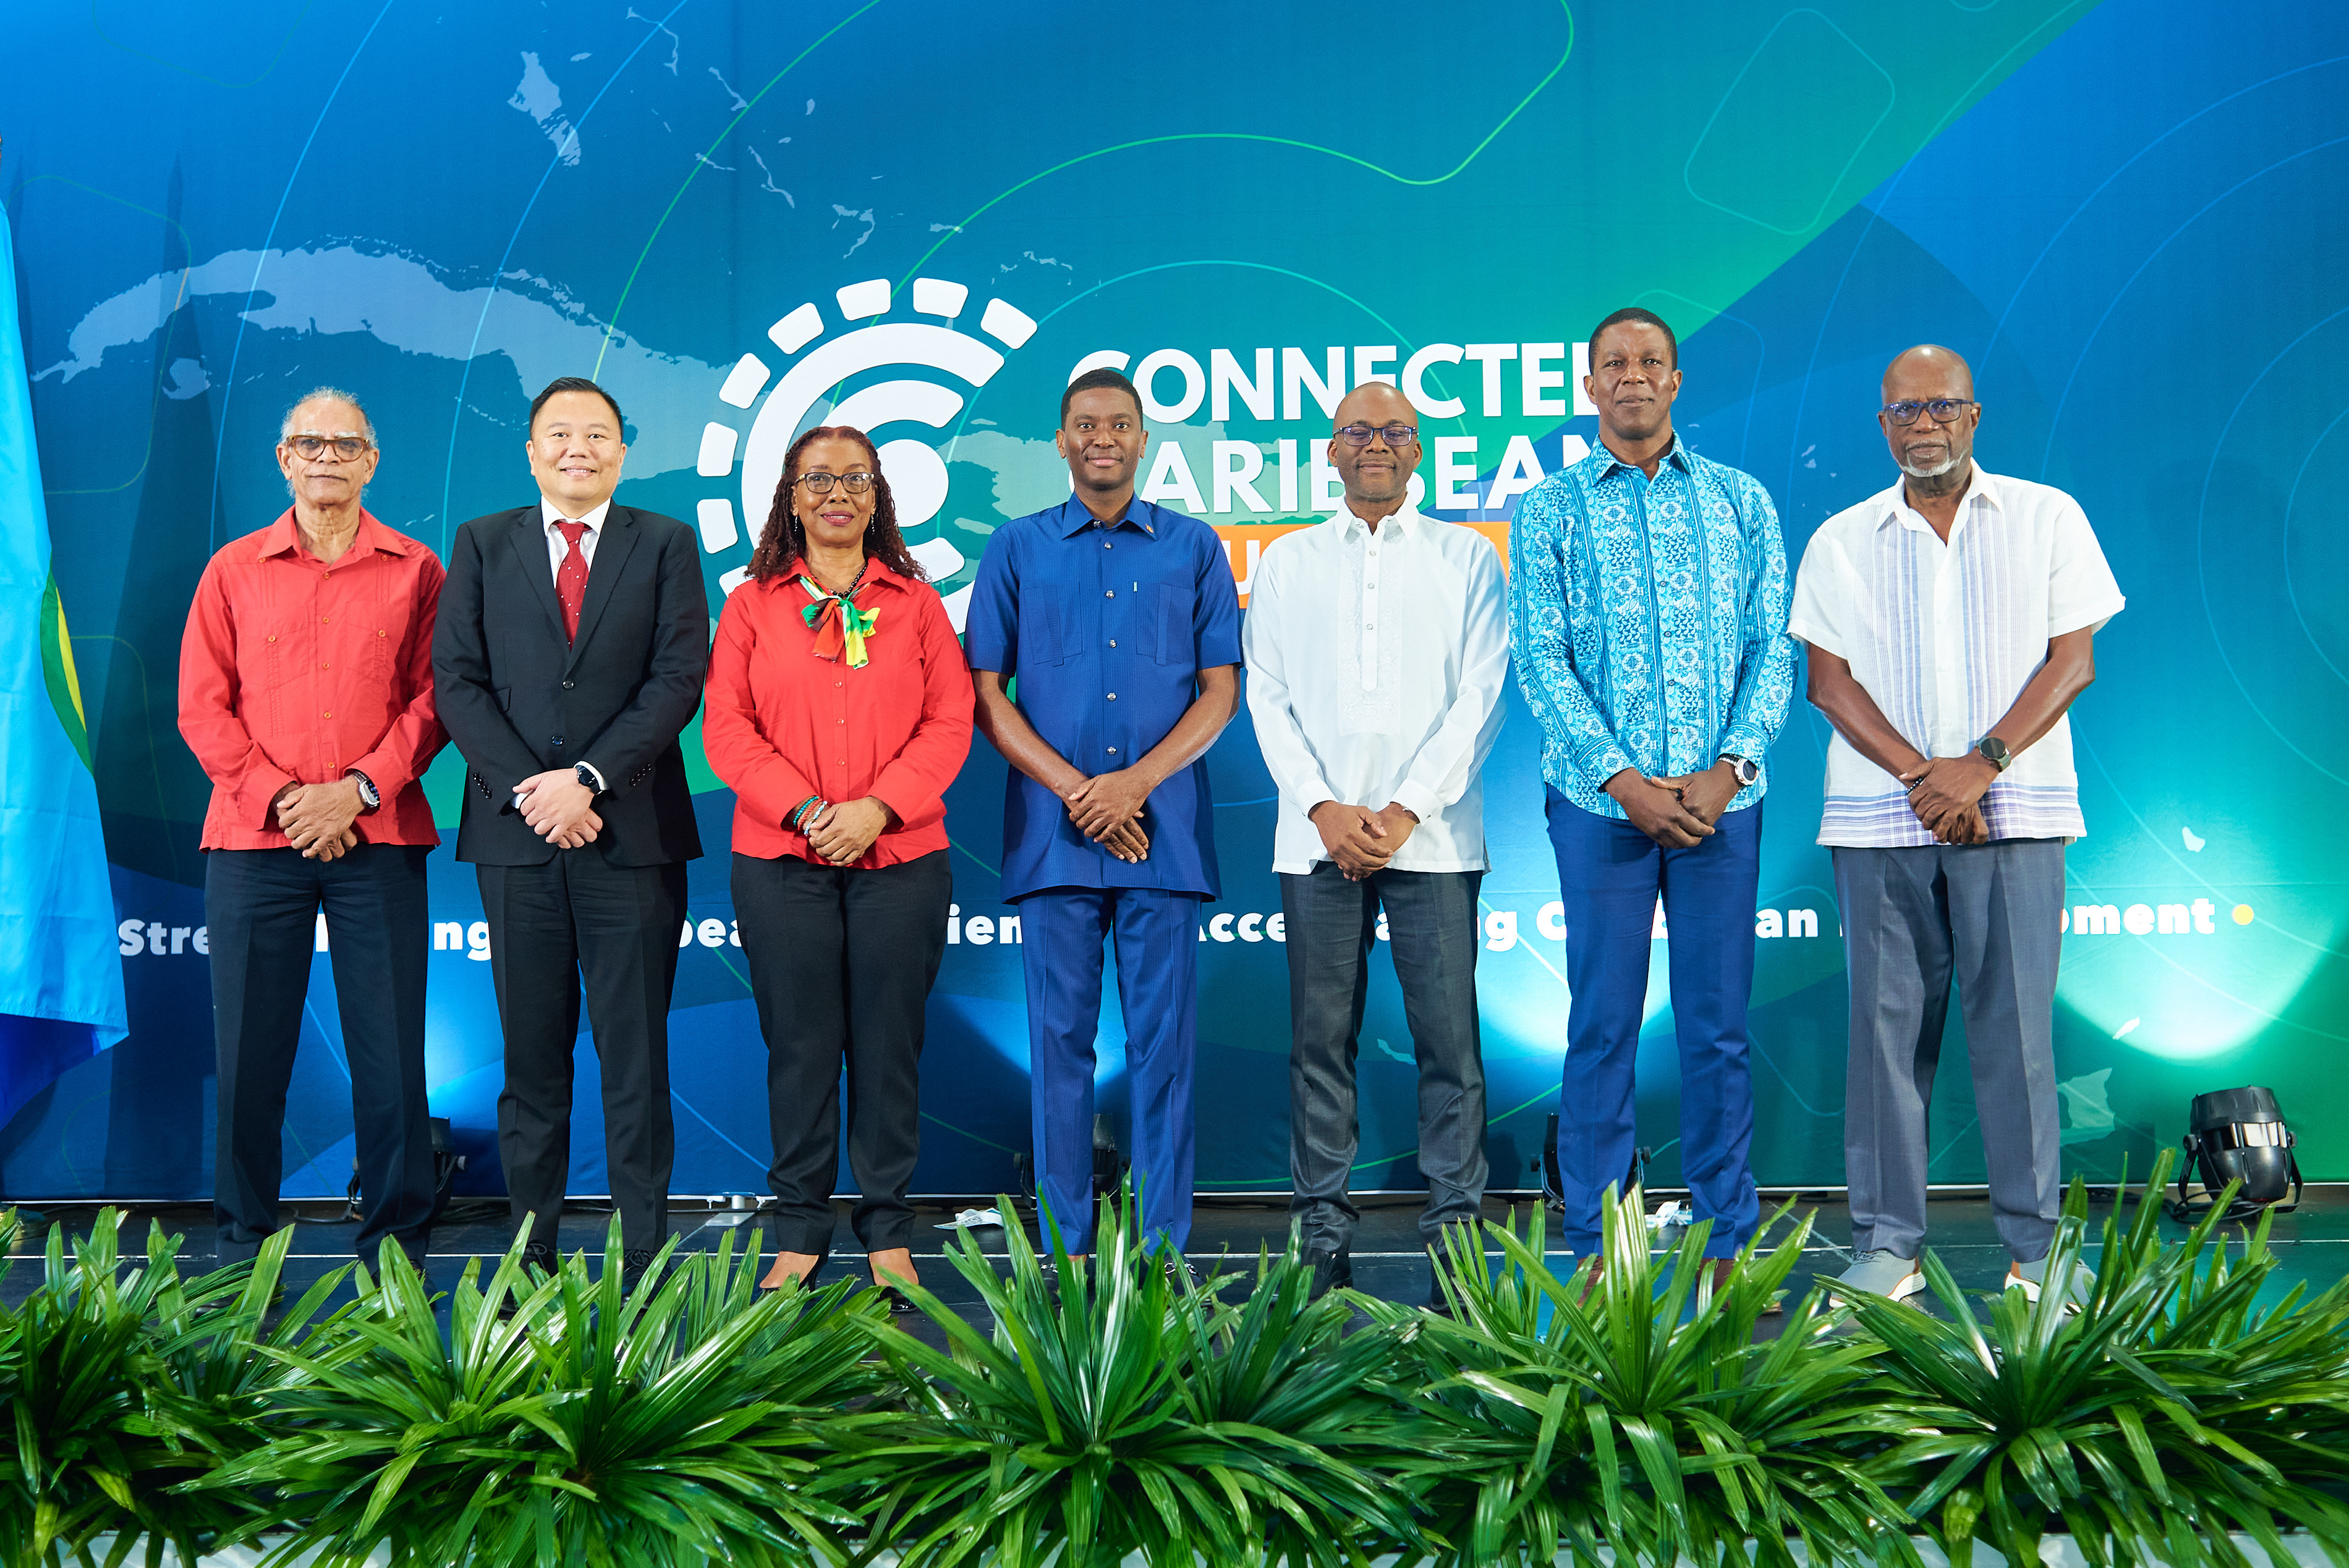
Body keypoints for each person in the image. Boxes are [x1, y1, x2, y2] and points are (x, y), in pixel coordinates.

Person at [1790, 345, 2123, 1307]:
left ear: (1974, 415)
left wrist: (1981, 767)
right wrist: (1923, 779)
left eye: (1941, 406)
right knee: (1883, 1038)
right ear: (1883, 425)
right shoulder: (1842, 538)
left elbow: (2073, 661)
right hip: (1880, 820)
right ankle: (1888, 1246)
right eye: (1903, 411)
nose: (1923, 424)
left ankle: (2038, 1251)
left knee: (2016, 1035)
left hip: (2015, 810)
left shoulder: (2046, 515)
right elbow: (1828, 682)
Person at [1508, 307, 1797, 1289]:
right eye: (1613, 364)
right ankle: (1599, 1247)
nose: (1633, 377)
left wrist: (1729, 770)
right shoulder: (1547, 507)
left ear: (1677, 381)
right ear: (1589, 387)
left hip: (1722, 809)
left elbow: (1775, 651)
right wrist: (1622, 780)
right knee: (1601, 1027)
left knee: (1717, 1029)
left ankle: (1728, 1243)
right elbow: (1540, 659)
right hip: (1602, 814)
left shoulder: (1742, 502)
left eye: (1651, 362)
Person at [433, 375, 710, 1289]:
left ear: (622, 450)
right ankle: (531, 1250)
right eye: (560, 433)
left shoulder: (666, 543)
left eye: (597, 433)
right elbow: (458, 683)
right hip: (517, 840)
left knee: (635, 1055)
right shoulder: (480, 542)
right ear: (531, 448)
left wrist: (587, 780)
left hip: (630, 834)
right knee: (530, 1060)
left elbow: (676, 680)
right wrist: (532, 791)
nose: (577, 448)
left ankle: (644, 1253)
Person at [964, 367, 1241, 1272]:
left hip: (1162, 840)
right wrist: (1083, 793)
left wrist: (1135, 787)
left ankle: (1161, 1258)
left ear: (1143, 439)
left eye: (1120, 424)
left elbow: (1220, 693)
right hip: (1055, 842)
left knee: (1165, 1054)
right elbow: (989, 697)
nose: (1102, 439)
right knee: (1058, 1052)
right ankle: (1067, 1258)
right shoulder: (1016, 547)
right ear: (1060, 439)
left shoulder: (1193, 547)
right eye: (1085, 424)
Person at [1243, 381, 1510, 1307]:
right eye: (1358, 430)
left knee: (1450, 1046)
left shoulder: (1468, 559)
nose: (1376, 445)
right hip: (1315, 839)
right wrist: (1323, 807)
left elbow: (1481, 698)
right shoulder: (1286, 562)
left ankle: (1457, 1241)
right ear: (1330, 448)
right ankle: (1320, 1235)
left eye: (1395, 431)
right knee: (1320, 1044)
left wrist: (1402, 809)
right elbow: (1265, 694)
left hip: (1433, 840)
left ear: (1420, 449)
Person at [702, 426, 973, 1306]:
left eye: (855, 478)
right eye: (818, 478)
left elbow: (950, 720)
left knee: (891, 1047)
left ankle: (888, 1229)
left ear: (878, 496)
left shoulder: (918, 604)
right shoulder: (750, 606)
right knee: (802, 1047)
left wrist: (876, 808)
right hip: (783, 857)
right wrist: (812, 812)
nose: (836, 494)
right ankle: (800, 1229)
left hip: (900, 854)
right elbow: (727, 729)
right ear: (791, 495)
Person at [179, 388, 446, 1269]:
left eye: (345, 443)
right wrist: (289, 800)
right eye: (308, 442)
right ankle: (241, 1238)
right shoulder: (232, 569)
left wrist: (358, 789)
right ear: (282, 459)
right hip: (257, 842)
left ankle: (398, 1235)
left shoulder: (418, 569)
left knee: (392, 1048)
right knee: (250, 1050)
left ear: (372, 460)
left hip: (380, 834)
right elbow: (202, 707)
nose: (326, 455)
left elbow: (436, 699)